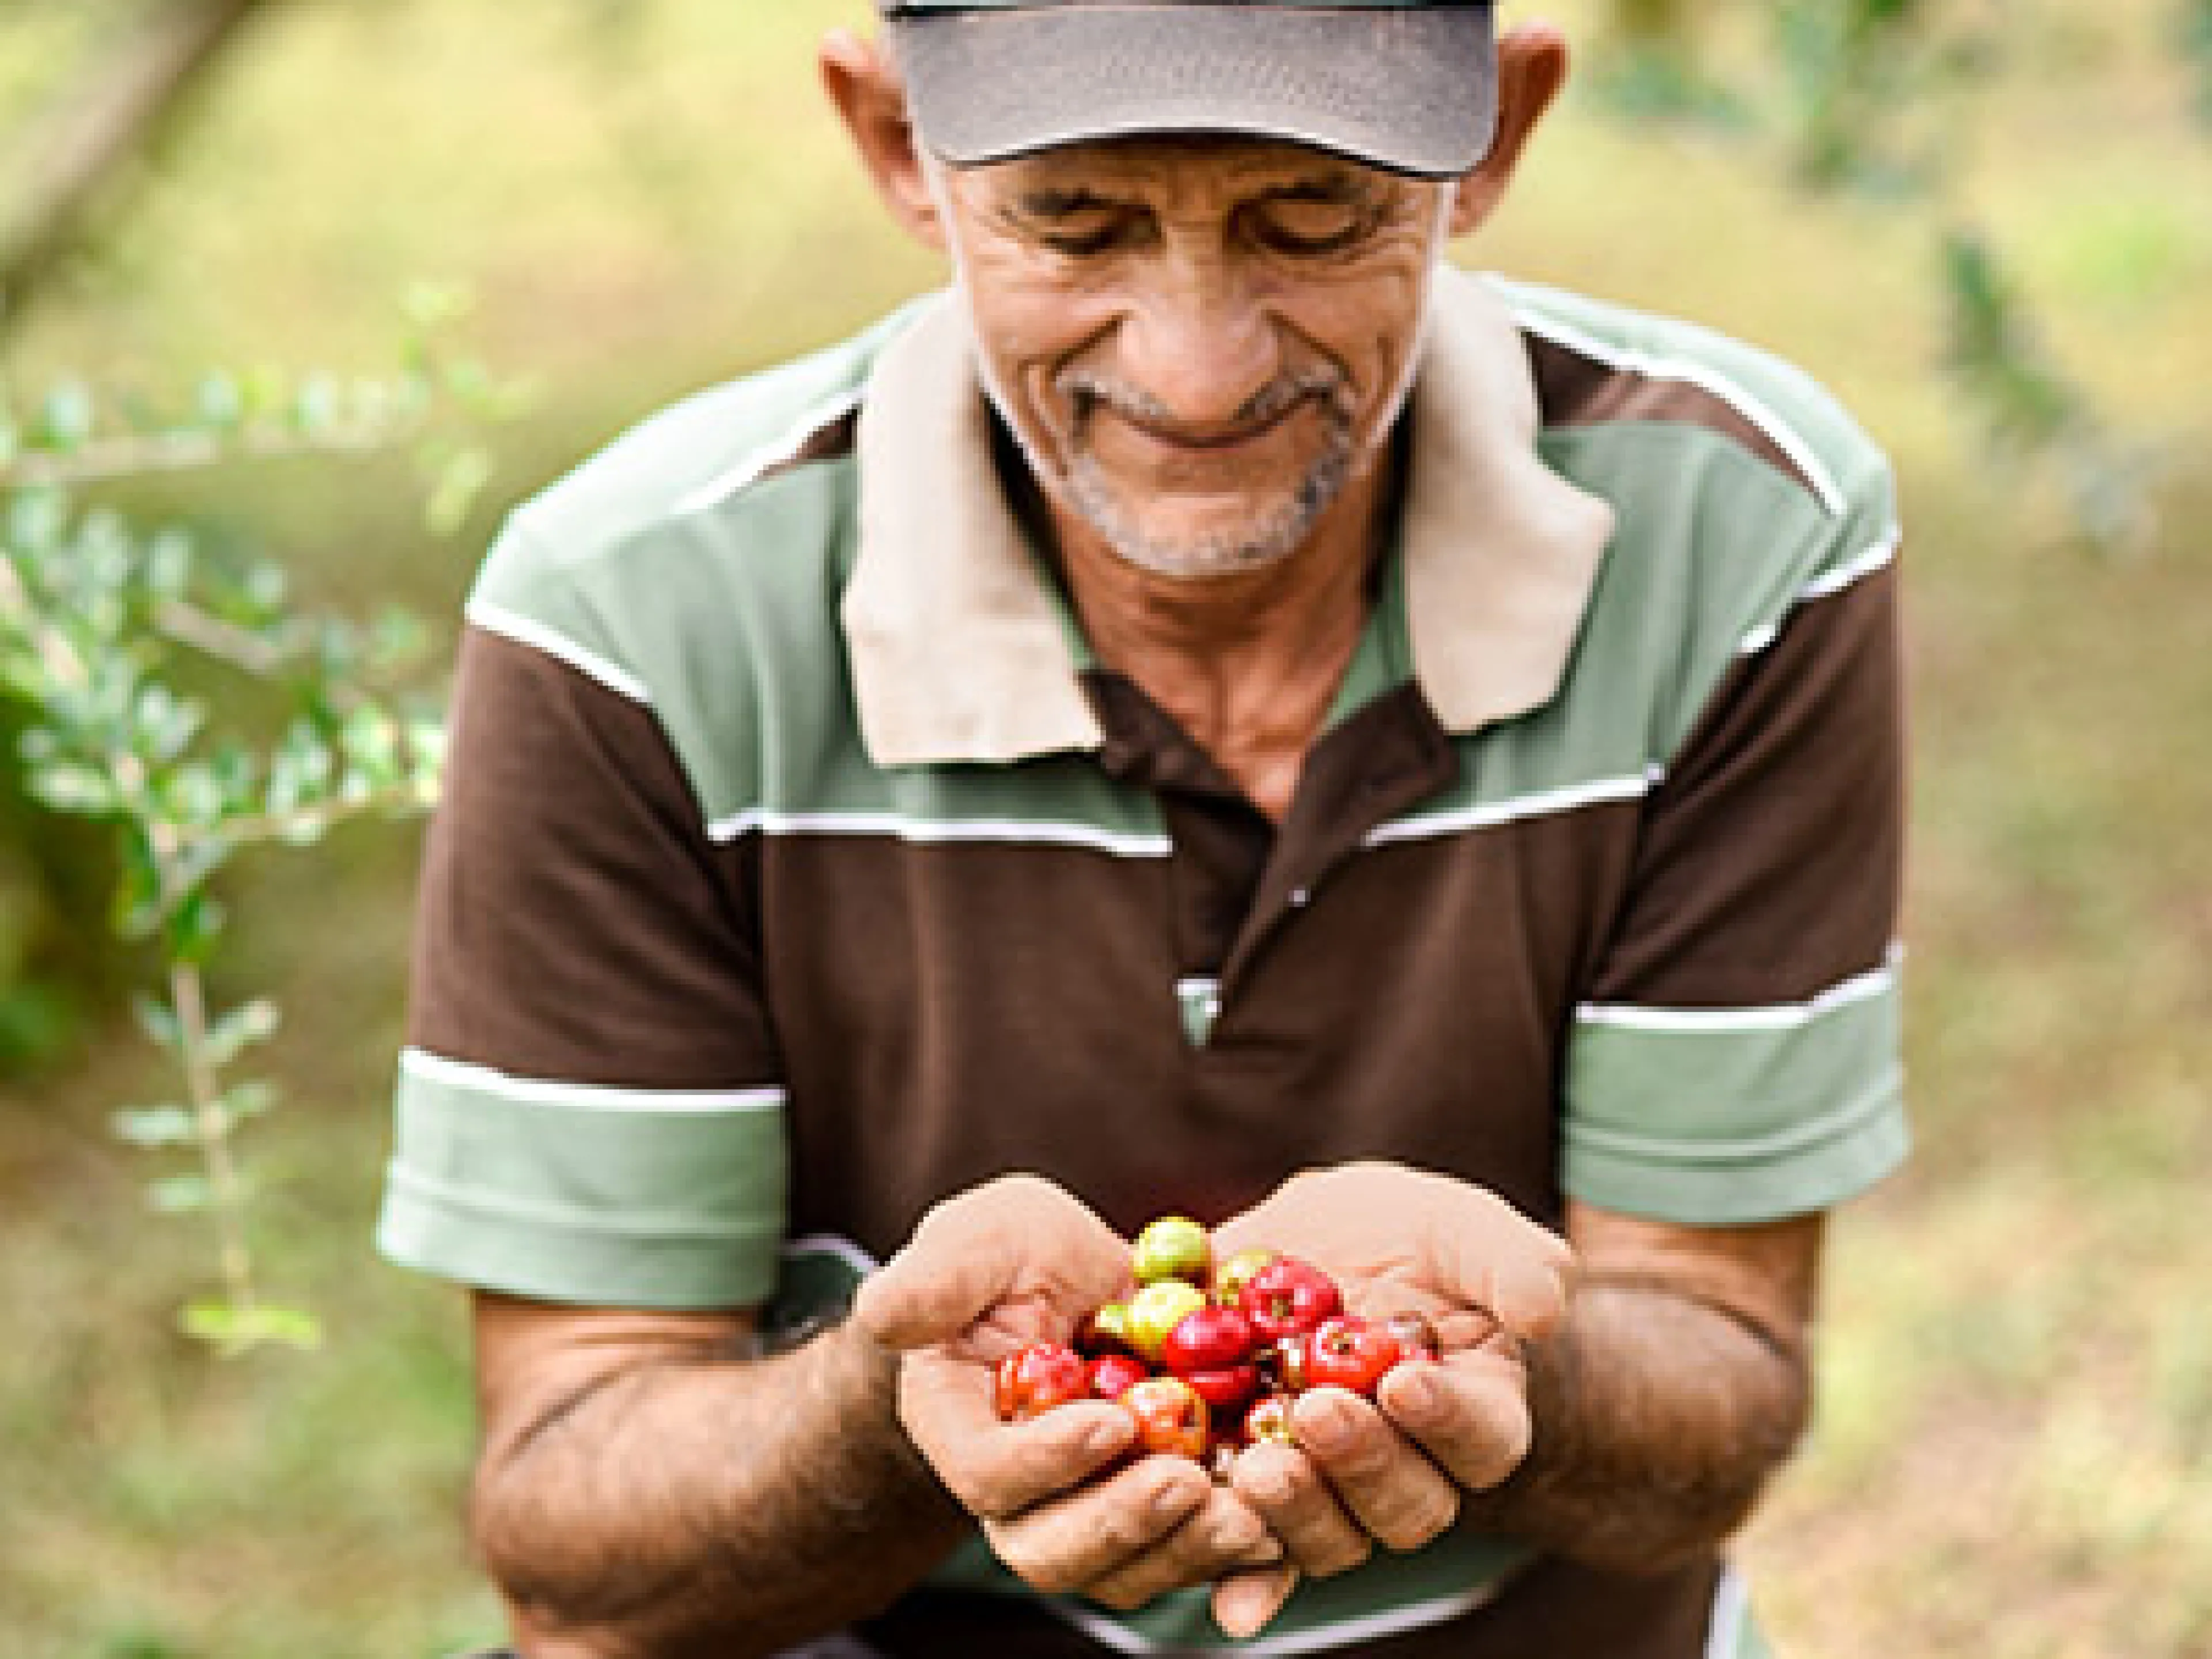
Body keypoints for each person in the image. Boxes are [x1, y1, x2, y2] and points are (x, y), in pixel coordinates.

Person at [375, 2, 1909, 1654]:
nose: (1198, 371)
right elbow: (573, 1540)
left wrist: (1509, 1365)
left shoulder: (1741, 536)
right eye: (1075, 218)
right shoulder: (628, 621)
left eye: (1314, 211)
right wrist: (886, 1421)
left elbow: (1717, 1381)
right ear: (899, 143)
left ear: (1495, 129)